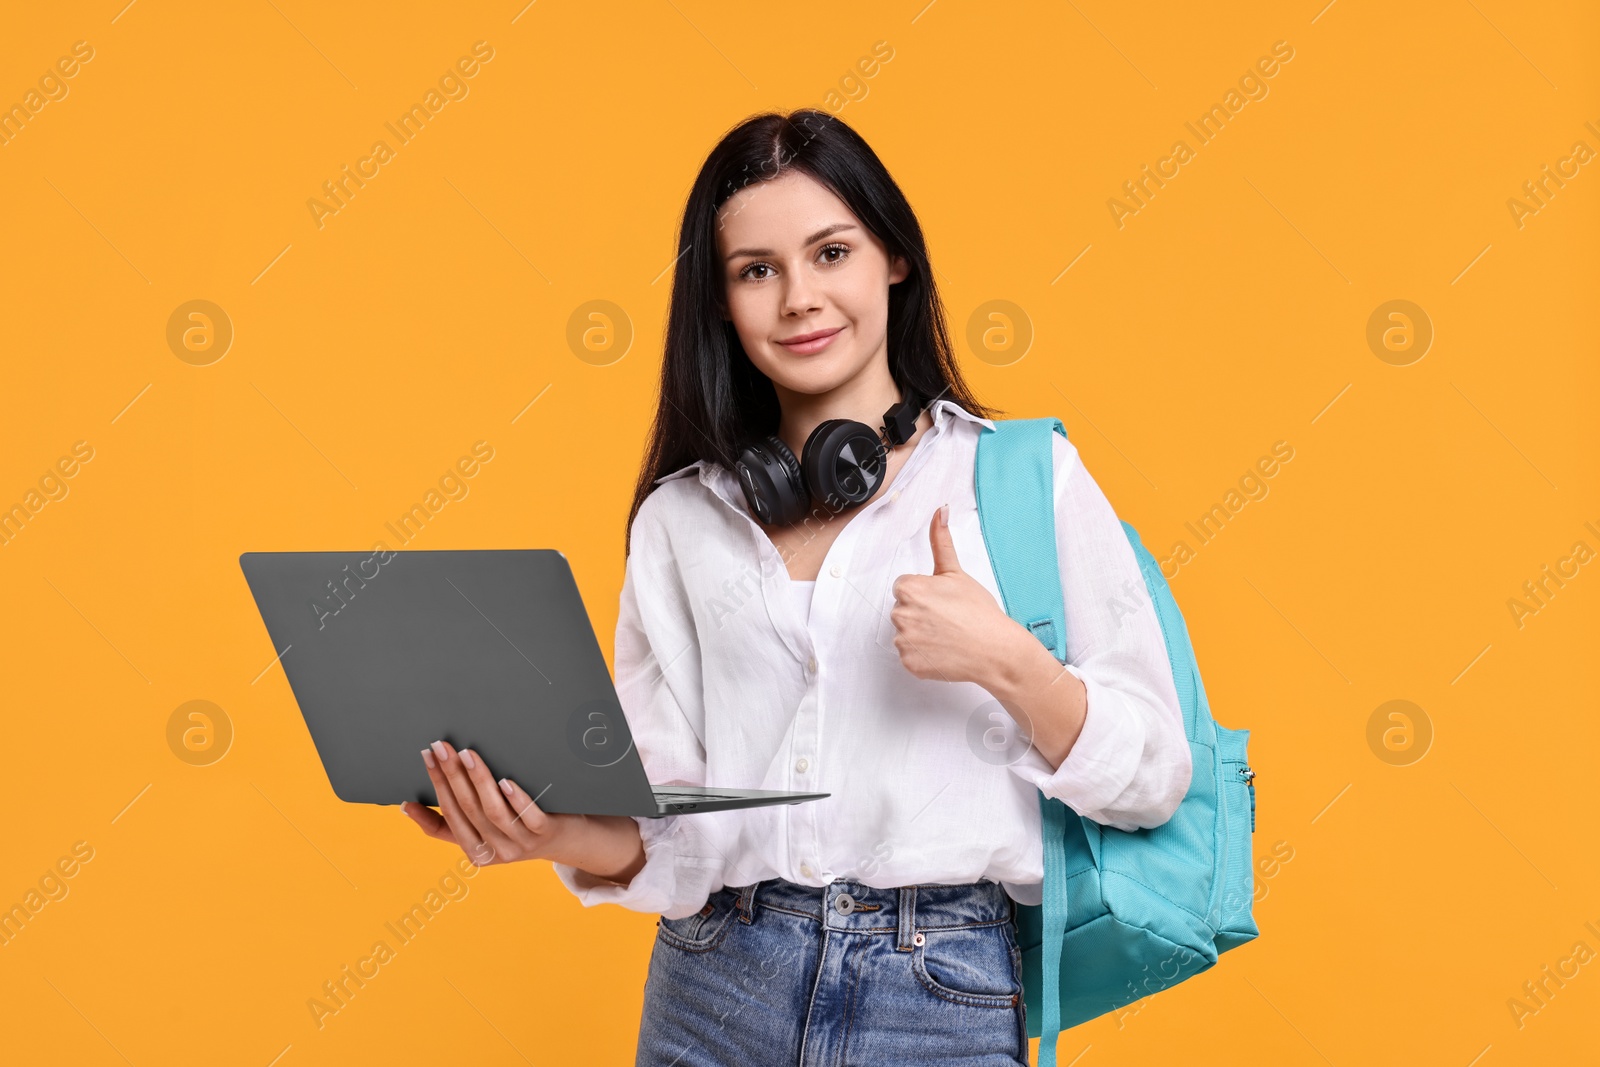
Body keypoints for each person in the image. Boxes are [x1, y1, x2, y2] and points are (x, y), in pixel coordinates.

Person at [400, 108, 1191, 1066]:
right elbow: (678, 827)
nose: (799, 299)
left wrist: (1008, 661)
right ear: (723, 301)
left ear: (893, 258)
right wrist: (555, 830)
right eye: (757, 270)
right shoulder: (680, 521)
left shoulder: (1023, 480)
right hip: (713, 984)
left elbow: (1153, 776)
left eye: (830, 252)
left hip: (937, 991)